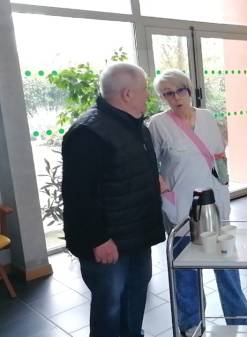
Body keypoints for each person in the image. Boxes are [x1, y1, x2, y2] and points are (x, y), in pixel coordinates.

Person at [147, 70, 247, 337]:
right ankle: (191, 323)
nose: (175, 97)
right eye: (167, 93)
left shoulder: (206, 116)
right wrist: (160, 182)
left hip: (214, 200)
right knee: (185, 269)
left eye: (180, 90)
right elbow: (150, 162)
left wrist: (224, 182)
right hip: (181, 203)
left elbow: (218, 155)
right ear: (162, 97)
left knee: (226, 265)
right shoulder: (158, 124)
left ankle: (240, 317)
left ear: (189, 89)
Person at [62, 62, 165, 337]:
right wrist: (98, 239)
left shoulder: (135, 125)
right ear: (127, 94)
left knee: (135, 296)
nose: (149, 96)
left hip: (137, 233)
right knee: (110, 306)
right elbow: (77, 196)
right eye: (145, 90)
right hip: (109, 242)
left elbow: (123, 170)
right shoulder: (88, 133)